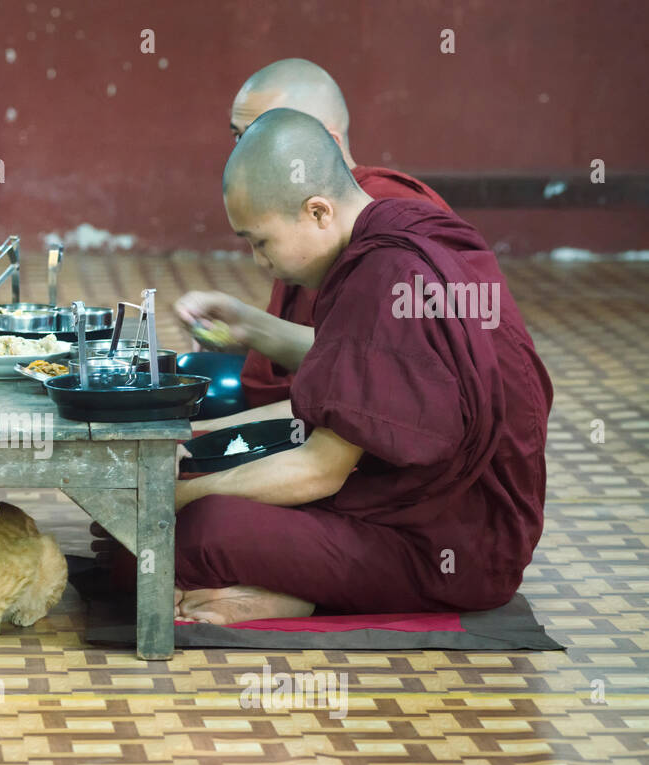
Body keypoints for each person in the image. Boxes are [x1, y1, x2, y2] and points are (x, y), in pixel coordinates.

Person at [170, 109, 552, 624]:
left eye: (259, 242)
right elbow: (344, 393)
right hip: (409, 509)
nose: (259, 262)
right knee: (169, 507)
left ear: (319, 212)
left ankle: (303, 597)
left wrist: (176, 496)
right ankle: (297, 585)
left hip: (454, 549)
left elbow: (319, 471)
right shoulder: (394, 241)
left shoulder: (387, 271)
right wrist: (194, 436)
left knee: (186, 533)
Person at [185, 58, 453, 415]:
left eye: (262, 138)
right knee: (185, 377)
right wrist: (239, 327)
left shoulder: (392, 220)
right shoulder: (295, 211)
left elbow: (369, 375)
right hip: (316, 392)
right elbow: (330, 345)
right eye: (238, 136)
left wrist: (248, 326)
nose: (243, 156)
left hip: (367, 420)